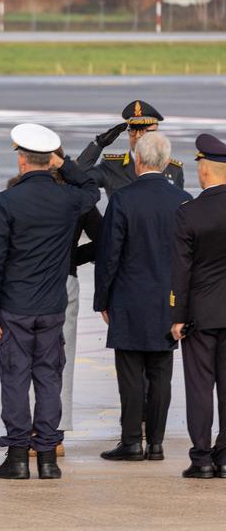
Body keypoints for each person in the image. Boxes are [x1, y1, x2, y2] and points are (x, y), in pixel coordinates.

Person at [0, 123, 99, 480]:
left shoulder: (6, 201)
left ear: (20, 160)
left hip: (15, 306)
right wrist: (64, 165)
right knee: (49, 379)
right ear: (49, 159)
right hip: (52, 306)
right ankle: (47, 457)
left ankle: (18, 456)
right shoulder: (68, 200)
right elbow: (91, 188)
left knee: (16, 379)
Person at [94, 132, 190, 463]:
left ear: (138, 161)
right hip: (169, 300)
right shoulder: (183, 199)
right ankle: (158, 443)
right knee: (162, 371)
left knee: (131, 373)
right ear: (165, 163)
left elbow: (110, 256)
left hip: (129, 299)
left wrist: (102, 299)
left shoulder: (122, 199)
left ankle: (132, 441)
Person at [170, 133, 226, 479]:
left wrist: (176, 316)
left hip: (201, 316)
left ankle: (202, 459)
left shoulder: (189, 213)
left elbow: (181, 271)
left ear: (204, 170)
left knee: (200, 388)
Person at [76, 100, 184, 198]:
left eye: (143, 131)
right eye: (133, 130)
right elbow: (78, 178)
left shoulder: (173, 169)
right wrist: (98, 144)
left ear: (155, 131)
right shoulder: (112, 166)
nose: (137, 136)